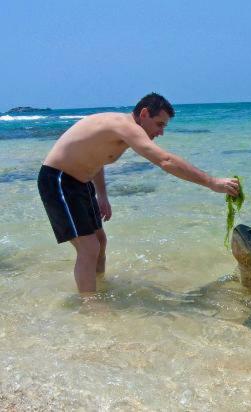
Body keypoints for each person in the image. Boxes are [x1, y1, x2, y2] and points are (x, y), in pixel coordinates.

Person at [37, 93, 240, 294]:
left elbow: (96, 159)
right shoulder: (124, 126)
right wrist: (212, 182)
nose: (161, 132)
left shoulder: (121, 130)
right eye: (160, 124)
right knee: (88, 248)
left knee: (100, 241)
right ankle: (90, 307)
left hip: (80, 183)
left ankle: (98, 287)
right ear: (144, 114)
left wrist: (102, 196)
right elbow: (165, 161)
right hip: (58, 180)